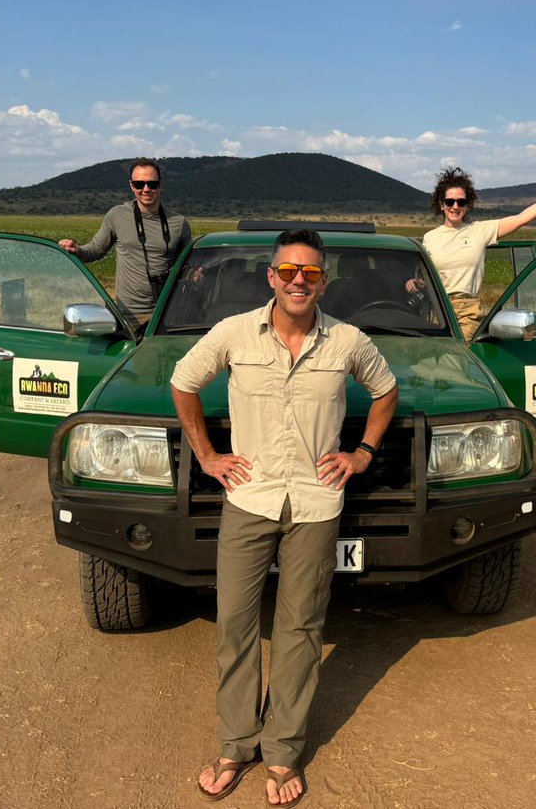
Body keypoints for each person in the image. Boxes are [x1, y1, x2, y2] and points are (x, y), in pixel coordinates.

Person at [170, 229, 399, 806]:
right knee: (235, 623)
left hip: (317, 505)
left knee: (301, 629)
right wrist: (206, 456)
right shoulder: (233, 333)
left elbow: (386, 390)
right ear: (271, 277)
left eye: (312, 273)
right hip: (249, 499)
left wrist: (363, 453)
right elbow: (183, 383)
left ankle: (282, 752)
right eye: (289, 271)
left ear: (324, 281)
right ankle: (235, 743)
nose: (300, 281)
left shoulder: (347, 341)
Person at [417, 166, 536, 339]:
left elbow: (521, 218)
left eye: (461, 202)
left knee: (457, 359)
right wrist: (416, 282)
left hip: (465, 312)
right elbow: (425, 276)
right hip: (435, 309)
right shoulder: (429, 238)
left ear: (468, 206)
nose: (455, 206)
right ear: (441, 204)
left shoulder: (479, 230)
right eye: (449, 202)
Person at [58, 158, 191, 323]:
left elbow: (189, 268)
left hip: (166, 313)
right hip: (126, 314)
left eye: (152, 184)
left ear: (160, 185)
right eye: (139, 184)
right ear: (131, 186)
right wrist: (75, 249)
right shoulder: (117, 215)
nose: (146, 189)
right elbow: (95, 251)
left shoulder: (179, 223)